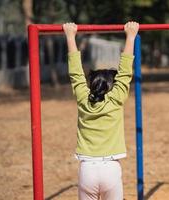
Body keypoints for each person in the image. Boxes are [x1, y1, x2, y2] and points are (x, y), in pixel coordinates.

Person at [63, 21, 139, 200]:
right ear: (112, 87)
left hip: (87, 170)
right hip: (111, 169)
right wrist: (131, 37)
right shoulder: (116, 99)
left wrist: (69, 36)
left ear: (91, 85)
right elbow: (125, 72)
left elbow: (75, 73)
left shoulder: (83, 98)